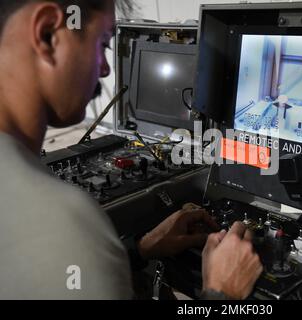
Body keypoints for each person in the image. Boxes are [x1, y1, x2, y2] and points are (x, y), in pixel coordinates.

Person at [0, 0, 263, 300]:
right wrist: (222, 293)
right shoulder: (61, 222)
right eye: (103, 44)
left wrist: (138, 249)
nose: (105, 67)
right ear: (47, 33)